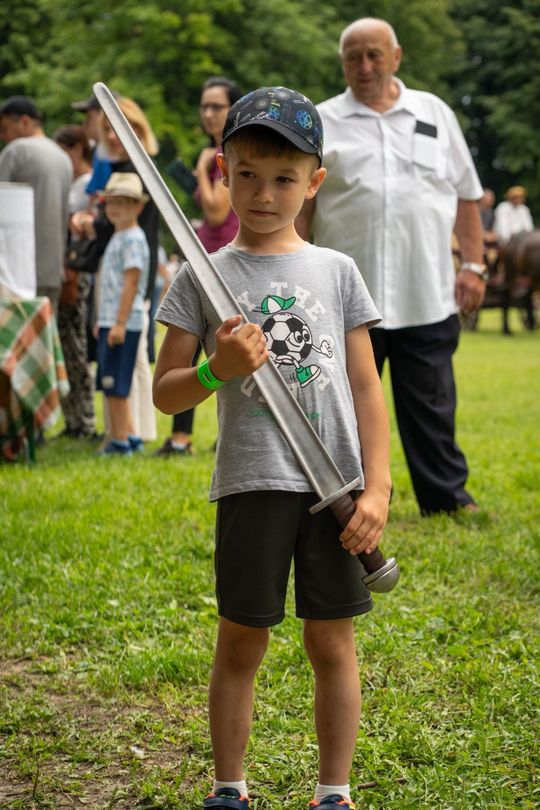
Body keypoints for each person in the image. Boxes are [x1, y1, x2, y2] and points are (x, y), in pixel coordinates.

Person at [154, 86, 391, 810]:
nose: (264, 193)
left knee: (332, 643)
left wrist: (377, 490)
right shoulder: (203, 276)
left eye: (284, 178)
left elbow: (364, 386)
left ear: (314, 182)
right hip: (253, 481)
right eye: (248, 174)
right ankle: (230, 787)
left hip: (337, 491)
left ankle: (334, 792)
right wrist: (214, 370)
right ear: (223, 169)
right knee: (241, 639)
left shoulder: (335, 271)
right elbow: (166, 392)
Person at [297, 18, 486, 515]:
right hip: (345, 297)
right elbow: (302, 207)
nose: (364, 66)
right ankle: (347, 500)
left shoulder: (435, 113)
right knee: (343, 406)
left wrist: (474, 265)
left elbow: (467, 196)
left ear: (396, 57)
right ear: (341, 63)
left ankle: (446, 498)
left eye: (374, 55)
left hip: (425, 288)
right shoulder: (321, 120)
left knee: (432, 404)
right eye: (353, 56)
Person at [154, 76, 242, 458]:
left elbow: (217, 209)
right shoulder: (215, 152)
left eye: (217, 106)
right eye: (204, 106)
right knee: (188, 349)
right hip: (205, 254)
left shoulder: (227, 153)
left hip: (225, 260)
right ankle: (182, 438)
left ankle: (203, 438)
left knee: (224, 348)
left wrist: (205, 169)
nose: (208, 113)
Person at [74, 96, 159, 444]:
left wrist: (92, 225)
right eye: (106, 128)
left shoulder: (137, 171)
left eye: (118, 128)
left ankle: (131, 432)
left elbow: (134, 235)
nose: (110, 136)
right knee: (122, 364)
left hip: (132, 278)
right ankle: (124, 431)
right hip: (119, 280)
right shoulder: (121, 167)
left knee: (130, 361)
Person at [0, 96, 72, 315]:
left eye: (4, 128)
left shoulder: (16, 151)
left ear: (24, 121)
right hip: (53, 268)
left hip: (17, 272)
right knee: (45, 340)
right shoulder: (63, 157)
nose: (2, 136)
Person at [95, 173, 149, 456]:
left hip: (123, 323)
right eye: (110, 202)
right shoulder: (119, 236)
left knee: (115, 385)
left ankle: (118, 442)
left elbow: (130, 282)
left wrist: (117, 323)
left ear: (137, 207)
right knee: (113, 382)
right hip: (111, 321)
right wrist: (102, 321)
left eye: (123, 203)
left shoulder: (132, 239)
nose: (114, 208)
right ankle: (129, 435)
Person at [53, 124, 98, 438]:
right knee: (67, 344)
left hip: (77, 269)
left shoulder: (86, 184)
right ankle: (73, 418)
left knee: (76, 344)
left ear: (77, 149)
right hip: (67, 267)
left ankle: (84, 419)